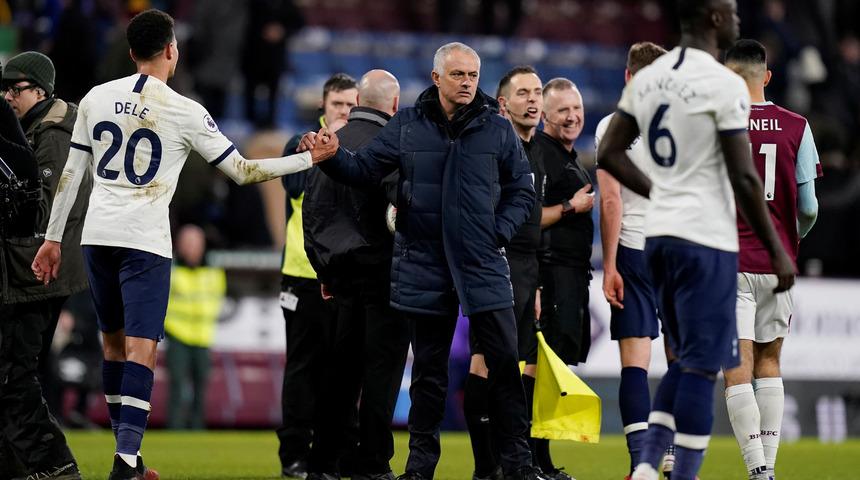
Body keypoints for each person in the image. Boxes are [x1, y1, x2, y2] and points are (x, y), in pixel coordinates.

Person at [30, 9, 337, 480]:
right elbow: (243, 172)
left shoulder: (95, 97)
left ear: (131, 52)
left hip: (97, 236)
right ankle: (126, 462)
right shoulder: (184, 109)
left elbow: (72, 175)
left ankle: (129, 458)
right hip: (144, 241)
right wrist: (307, 160)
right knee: (141, 350)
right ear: (172, 50)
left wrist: (53, 238)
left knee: (112, 346)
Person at [303, 42, 540, 480]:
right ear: (436, 77)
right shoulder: (408, 125)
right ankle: (420, 469)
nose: (467, 82)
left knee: (506, 365)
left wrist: (499, 231)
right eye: (458, 74)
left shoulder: (496, 128)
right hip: (427, 264)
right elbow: (363, 171)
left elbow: (522, 190)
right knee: (429, 376)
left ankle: (518, 465)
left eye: (473, 75)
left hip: (483, 264)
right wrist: (333, 158)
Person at [597, 1, 796, 479]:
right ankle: (681, 472)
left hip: (657, 240)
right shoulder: (723, 84)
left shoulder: (649, 80)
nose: (738, 17)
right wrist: (776, 249)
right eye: (731, 10)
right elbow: (744, 177)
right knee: (704, 367)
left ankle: (647, 466)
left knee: (686, 361)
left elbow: (608, 152)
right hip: (706, 240)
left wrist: (661, 190)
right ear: (712, 18)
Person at [301, 69, 409, 480]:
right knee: (382, 373)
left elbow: (312, 214)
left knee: (340, 373)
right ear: (395, 105)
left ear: (359, 101)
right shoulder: (396, 145)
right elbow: (400, 213)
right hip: (386, 277)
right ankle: (372, 464)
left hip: (341, 277)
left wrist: (324, 271)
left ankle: (324, 463)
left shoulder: (330, 144)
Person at [721, 39, 821, 480]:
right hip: (778, 266)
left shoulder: (717, 126)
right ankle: (770, 469)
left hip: (730, 264)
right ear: (767, 76)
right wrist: (787, 239)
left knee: (736, 366)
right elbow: (810, 207)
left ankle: (756, 467)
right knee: (769, 363)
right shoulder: (798, 126)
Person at [0, 50, 88, 480]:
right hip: (31, 271)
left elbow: (45, 214)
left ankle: (53, 463)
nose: (7, 97)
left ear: (39, 90)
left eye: (13, 89)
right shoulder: (36, 129)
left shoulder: (53, 136)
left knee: (14, 376)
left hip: (37, 274)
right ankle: (15, 466)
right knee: (15, 374)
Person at [594, 42, 672, 479]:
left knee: (635, 362)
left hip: (634, 250)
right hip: (680, 250)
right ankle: (678, 459)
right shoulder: (685, 126)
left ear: (628, 77)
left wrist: (609, 266)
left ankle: (641, 464)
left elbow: (611, 201)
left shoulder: (611, 127)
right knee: (680, 361)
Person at [277, 73, 357, 479]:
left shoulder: (362, 146)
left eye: (351, 105)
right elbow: (294, 188)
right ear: (323, 107)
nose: (344, 111)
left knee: (344, 370)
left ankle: (338, 453)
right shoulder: (300, 143)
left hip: (346, 276)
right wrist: (325, 148)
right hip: (303, 274)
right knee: (302, 368)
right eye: (337, 104)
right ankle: (294, 454)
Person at [164, 224, 226, 430]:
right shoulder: (170, 270)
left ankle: (197, 428)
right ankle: (175, 428)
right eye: (188, 243)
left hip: (203, 337)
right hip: (177, 335)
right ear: (179, 245)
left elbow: (216, 301)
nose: (192, 248)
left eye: (196, 243)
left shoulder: (214, 272)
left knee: (201, 387)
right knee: (177, 385)